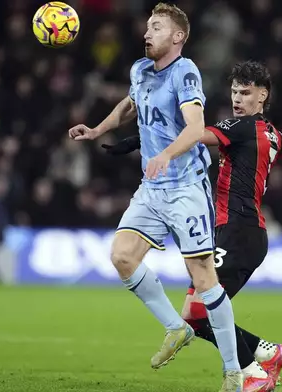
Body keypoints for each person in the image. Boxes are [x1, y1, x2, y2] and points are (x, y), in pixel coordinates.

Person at [102, 60, 282, 392]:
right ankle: (264, 355)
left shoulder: (238, 127)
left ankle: (256, 369)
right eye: (235, 91)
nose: (238, 98)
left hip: (240, 230)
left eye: (246, 92)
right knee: (198, 312)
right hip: (241, 232)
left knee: (197, 313)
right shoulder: (272, 133)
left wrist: (136, 141)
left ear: (262, 95)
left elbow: (193, 135)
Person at [68, 4, 243, 391]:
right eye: (148, 26)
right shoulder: (139, 69)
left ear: (178, 37)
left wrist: (164, 155)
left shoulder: (186, 72)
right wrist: (98, 130)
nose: (147, 33)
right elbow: (131, 104)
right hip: (152, 189)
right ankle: (175, 328)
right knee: (122, 256)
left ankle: (233, 370)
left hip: (186, 188)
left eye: (157, 27)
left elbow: (196, 128)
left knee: (203, 279)